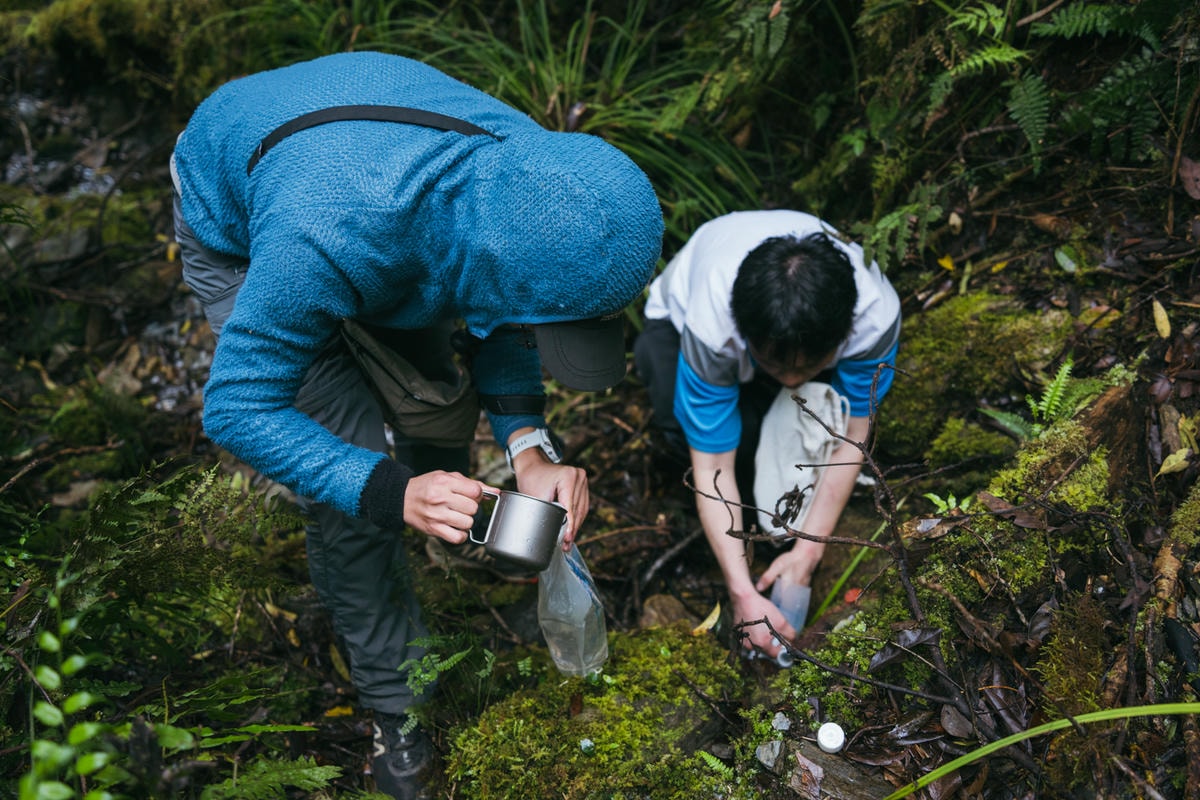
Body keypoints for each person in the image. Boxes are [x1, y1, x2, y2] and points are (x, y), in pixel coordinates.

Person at [170, 51, 663, 799]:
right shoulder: (323, 238)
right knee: (355, 474)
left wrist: (528, 445)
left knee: (439, 404)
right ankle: (394, 704)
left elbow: (509, 319)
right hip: (243, 214)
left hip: (360, 175)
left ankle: (452, 523)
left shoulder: (534, 174)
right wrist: (392, 492)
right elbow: (236, 407)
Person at [634, 210, 899, 663]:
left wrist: (808, 553)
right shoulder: (711, 327)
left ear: (844, 336)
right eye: (780, 369)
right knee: (697, 430)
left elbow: (851, 438)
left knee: (806, 426)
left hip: (793, 340)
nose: (793, 380)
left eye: (807, 366)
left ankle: (780, 383)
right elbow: (712, 466)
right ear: (744, 335)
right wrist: (741, 591)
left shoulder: (874, 319)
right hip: (676, 325)